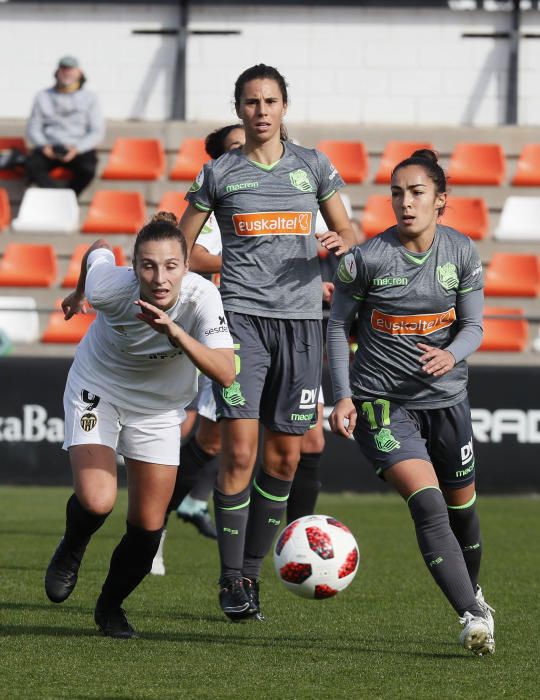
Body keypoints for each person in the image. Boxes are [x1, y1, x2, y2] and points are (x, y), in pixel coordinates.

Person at [179, 64, 355, 622]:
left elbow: (349, 233)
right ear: (239, 109)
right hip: (242, 327)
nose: (261, 110)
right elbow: (182, 247)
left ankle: (252, 574)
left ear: (284, 106)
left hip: (303, 327)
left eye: (270, 100)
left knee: (284, 457)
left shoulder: (314, 166)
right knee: (240, 452)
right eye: (251, 102)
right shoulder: (219, 173)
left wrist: (339, 239)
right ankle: (231, 580)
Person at [327, 149, 495, 656]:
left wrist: (451, 355)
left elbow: (474, 327)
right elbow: (337, 325)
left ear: (441, 200)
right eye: (397, 193)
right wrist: (342, 395)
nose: (405, 202)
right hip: (382, 403)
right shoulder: (366, 260)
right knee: (427, 503)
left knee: (462, 508)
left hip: (447, 400)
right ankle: (469, 615)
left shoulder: (462, 253)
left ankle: (474, 593)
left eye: (417, 192)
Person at [43, 212, 235, 639]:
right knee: (97, 500)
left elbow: (225, 372)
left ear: (186, 266)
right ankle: (73, 545)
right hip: (98, 389)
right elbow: (96, 248)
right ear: (134, 267)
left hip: (159, 410)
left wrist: (176, 333)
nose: (160, 277)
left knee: (149, 528)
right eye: (148, 265)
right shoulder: (111, 286)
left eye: (170, 266)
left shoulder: (203, 298)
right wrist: (78, 294)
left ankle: (110, 606)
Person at [151, 122, 330, 576]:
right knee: (215, 444)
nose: (248, 153)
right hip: (230, 333)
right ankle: (156, 527)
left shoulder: (295, 183)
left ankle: (297, 543)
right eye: (234, 148)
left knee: (307, 439)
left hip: (293, 327)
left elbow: (324, 239)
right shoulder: (217, 208)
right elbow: (185, 254)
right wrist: (246, 255)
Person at [25, 55, 104, 196]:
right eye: (63, 69)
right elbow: (33, 127)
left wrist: (77, 149)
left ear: (79, 73)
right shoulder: (42, 96)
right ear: (57, 72)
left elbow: (97, 131)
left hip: (77, 148)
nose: (67, 72)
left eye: (71, 69)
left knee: (88, 169)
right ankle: (58, 198)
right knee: (32, 165)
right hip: (49, 147)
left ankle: (69, 198)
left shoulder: (90, 97)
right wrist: (44, 146)